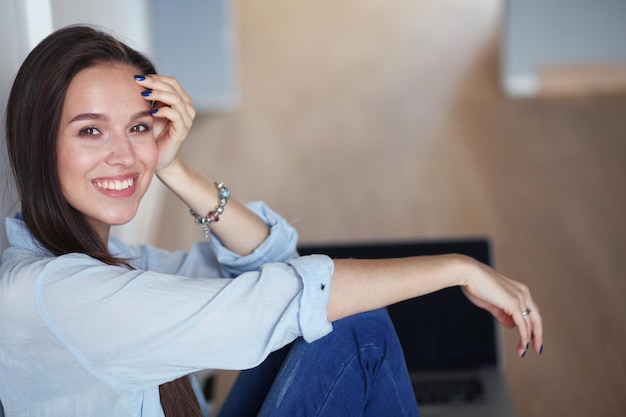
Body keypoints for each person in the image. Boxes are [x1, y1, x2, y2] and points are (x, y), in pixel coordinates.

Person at [0, 25, 543, 417]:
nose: (122, 155)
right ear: (38, 142)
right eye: (90, 131)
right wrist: (456, 270)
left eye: (139, 128)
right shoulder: (57, 294)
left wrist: (176, 169)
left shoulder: (111, 265)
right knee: (360, 335)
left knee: (344, 319)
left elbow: (276, 263)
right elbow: (281, 298)